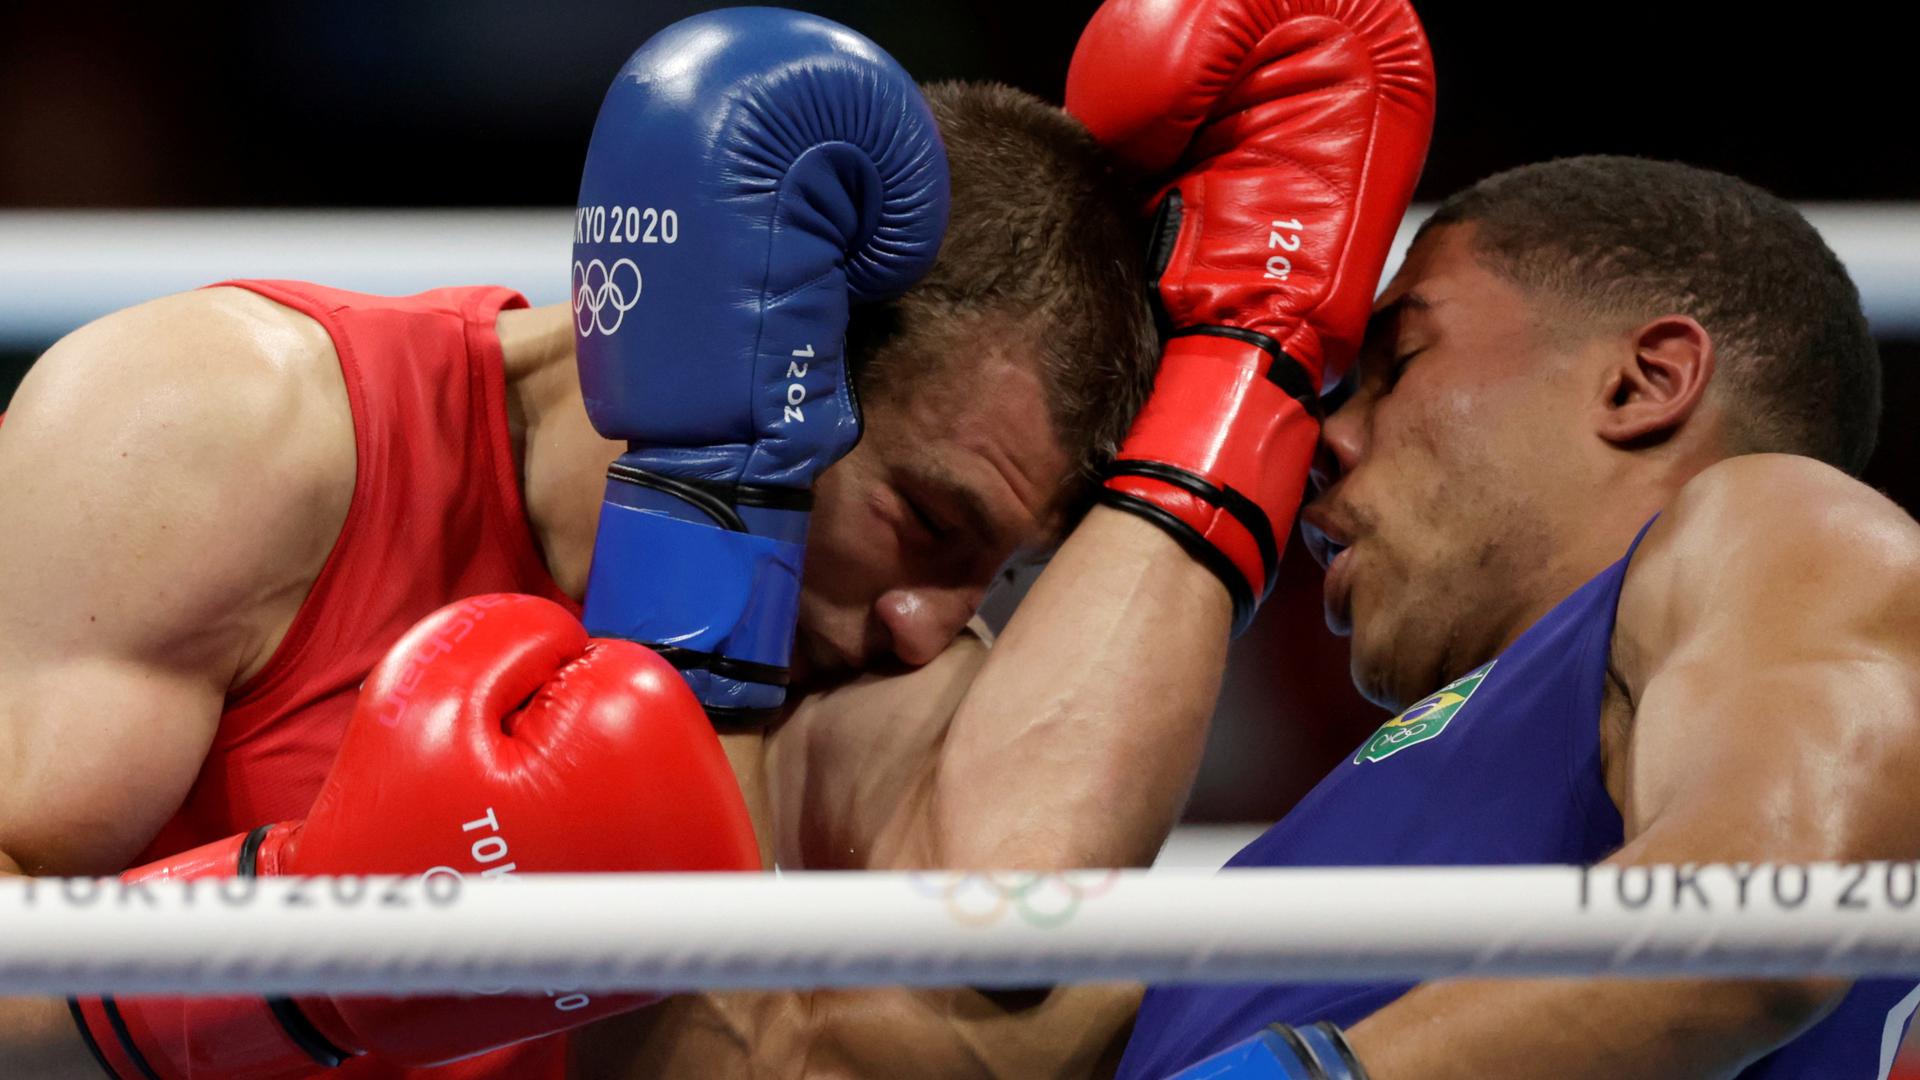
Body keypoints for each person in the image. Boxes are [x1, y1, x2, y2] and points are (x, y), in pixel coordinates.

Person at [0, 0, 1436, 1076]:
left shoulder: (872, 658)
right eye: (929, 521)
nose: (933, 625)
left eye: (992, 570)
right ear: (788, 362)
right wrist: (311, 954)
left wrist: (1252, 358)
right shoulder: (226, 431)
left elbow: (978, 1023)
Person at [1114, 156, 1920, 1079]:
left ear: (1641, 384)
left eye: (1397, 368)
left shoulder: (1785, 522)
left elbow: (1762, 920)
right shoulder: (1408, 797)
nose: (1324, 444)